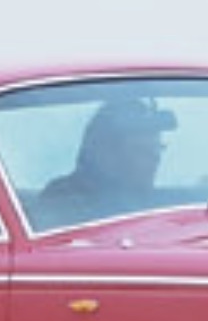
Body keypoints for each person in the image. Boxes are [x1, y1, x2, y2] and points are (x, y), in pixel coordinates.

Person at [34, 96, 175, 227]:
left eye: (157, 148)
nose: (155, 158)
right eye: (141, 150)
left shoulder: (161, 203)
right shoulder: (63, 198)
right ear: (106, 152)